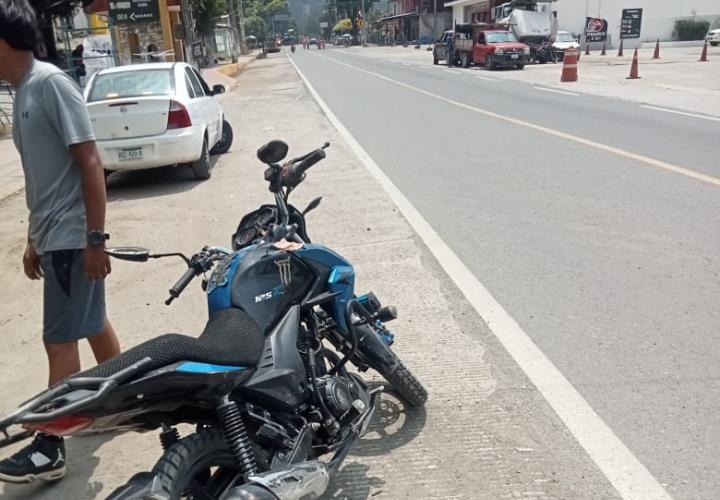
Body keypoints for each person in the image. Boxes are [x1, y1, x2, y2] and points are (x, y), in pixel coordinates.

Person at [0, 0, 121, 484]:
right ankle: (117, 403)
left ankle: (49, 445)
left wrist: (95, 238)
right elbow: (42, 176)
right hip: (56, 237)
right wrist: (34, 237)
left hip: (75, 238)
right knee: (93, 323)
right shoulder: (24, 90)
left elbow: (90, 162)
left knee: (59, 339)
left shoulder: (50, 84)